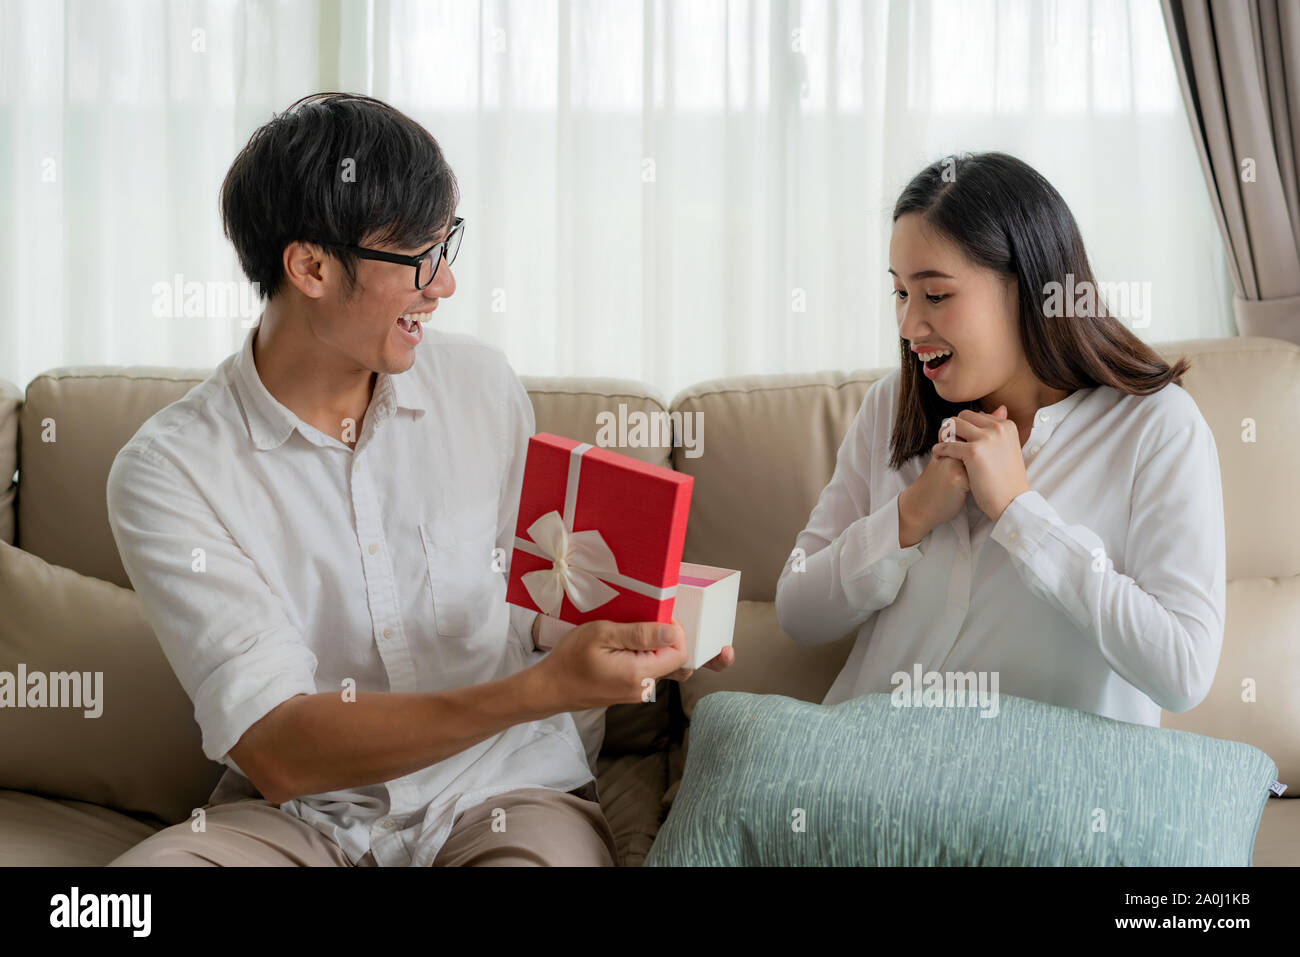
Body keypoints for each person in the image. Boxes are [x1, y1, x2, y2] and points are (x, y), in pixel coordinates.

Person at [105, 92, 732, 868]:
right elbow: (279, 750)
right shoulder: (169, 471)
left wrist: (653, 618)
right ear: (310, 266)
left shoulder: (479, 385)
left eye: (447, 247)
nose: (444, 285)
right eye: (417, 259)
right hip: (301, 813)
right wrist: (540, 691)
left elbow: (529, 603)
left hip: (504, 793)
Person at [775, 151, 1224, 726]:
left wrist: (1021, 515)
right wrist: (907, 518)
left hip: (1039, 798)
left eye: (936, 295)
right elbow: (797, 611)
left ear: (1031, 290)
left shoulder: (1158, 428)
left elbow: (1183, 672)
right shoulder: (894, 403)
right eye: (900, 293)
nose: (910, 325)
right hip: (866, 772)